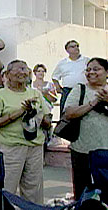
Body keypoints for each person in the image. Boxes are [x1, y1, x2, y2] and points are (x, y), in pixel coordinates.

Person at [0, 60, 51, 204]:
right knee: (6, 188)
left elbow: (47, 120)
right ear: (8, 75)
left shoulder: (35, 93)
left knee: (34, 190)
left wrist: (36, 113)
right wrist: (19, 112)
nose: (22, 72)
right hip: (10, 148)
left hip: (35, 147)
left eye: (25, 69)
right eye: (18, 69)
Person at [64, 58, 108, 200]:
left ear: (107, 72)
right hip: (82, 150)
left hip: (106, 151)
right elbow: (70, 113)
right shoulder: (80, 89)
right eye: (88, 69)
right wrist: (93, 102)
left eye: (96, 69)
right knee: (83, 194)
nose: (91, 72)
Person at [52, 40, 89, 115]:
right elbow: (54, 76)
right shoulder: (62, 63)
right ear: (67, 50)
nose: (76, 48)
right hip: (67, 91)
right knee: (64, 114)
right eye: (72, 46)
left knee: (84, 112)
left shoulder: (86, 61)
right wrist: (58, 87)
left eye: (77, 46)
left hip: (83, 90)